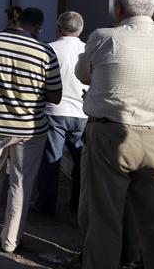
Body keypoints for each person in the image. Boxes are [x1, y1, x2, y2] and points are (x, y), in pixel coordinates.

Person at [75, 0, 154, 269]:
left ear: (119, 8)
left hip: (109, 135)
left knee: (103, 217)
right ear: (152, 8)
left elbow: (83, 74)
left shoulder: (103, 37)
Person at [0, 7, 62, 253]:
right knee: (21, 183)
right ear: (39, 27)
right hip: (29, 129)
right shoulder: (45, 51)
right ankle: (10, 241)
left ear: (16, 20)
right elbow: (55, 95)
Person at [34, 11, 89, 216]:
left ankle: (46, 205)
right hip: (82, 112)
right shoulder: (88, 49)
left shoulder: (49, 48)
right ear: (81, 29)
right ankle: (77, 204)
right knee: (81, 162)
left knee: (51, 159)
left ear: (59, 28)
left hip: (54, 110)